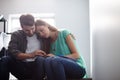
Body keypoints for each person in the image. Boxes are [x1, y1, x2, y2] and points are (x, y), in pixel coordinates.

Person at [8, 14, 47, 80]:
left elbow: (50, 30)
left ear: (35, 25)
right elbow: (13, 52)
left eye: (32, 28)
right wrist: (31, 55)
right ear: (21, 27)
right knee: (5, 60)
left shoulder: (40, 33)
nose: (31, 32)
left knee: (40, 59)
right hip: (22, 66)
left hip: (37, 66)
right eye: (27, 30)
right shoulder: (16, 35)